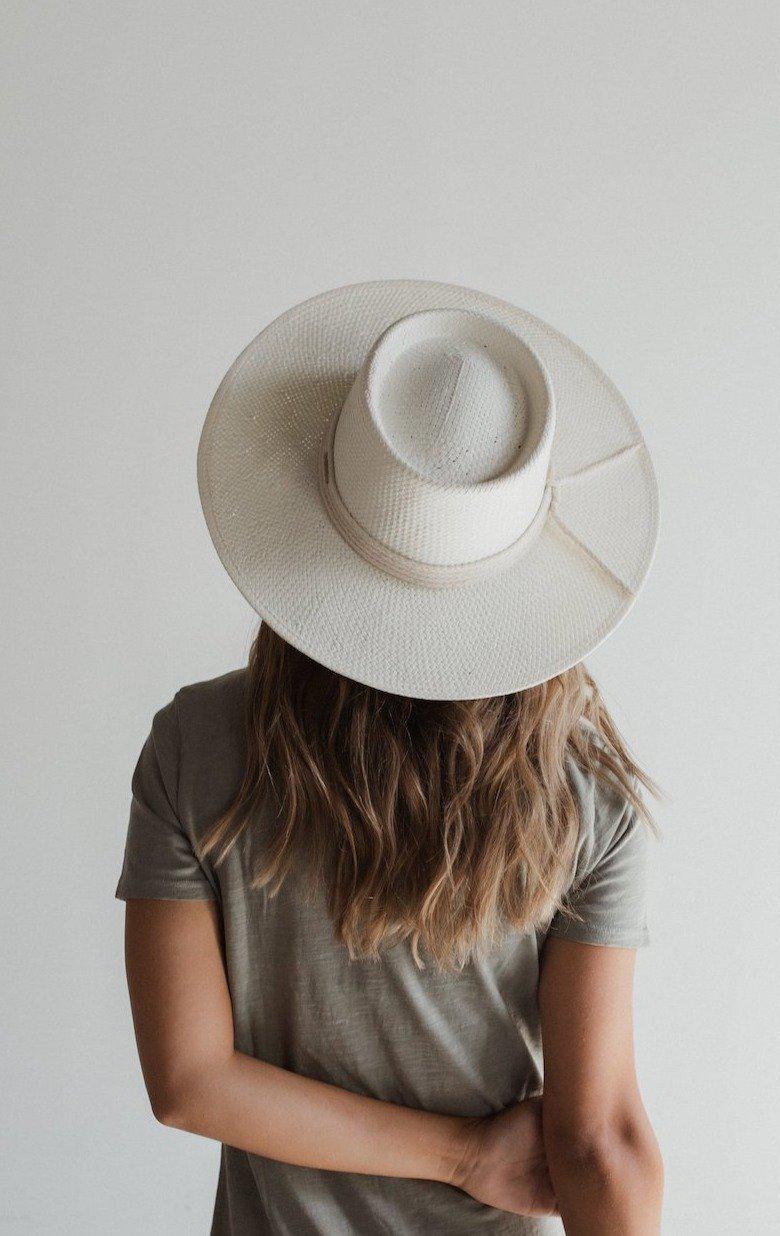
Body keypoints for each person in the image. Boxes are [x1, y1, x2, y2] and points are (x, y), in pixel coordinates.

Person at [118, 282, 664, 1233]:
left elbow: (190, 1080)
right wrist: (468, 1151)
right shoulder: (582, 805)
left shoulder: (196, 746)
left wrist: (462, 1158)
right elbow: (597, 1145)